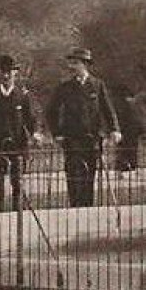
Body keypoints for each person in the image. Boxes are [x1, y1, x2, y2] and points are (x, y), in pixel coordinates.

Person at [45, 46, 120, 207]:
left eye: (76, 63)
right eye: (71, 63)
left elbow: (108, 109)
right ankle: (75, 207)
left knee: (89, 174)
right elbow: (51, 111)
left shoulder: (97, 85)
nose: (72, 67)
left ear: (85, 64)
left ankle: (87, 208)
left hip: (92, 138)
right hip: (71, 138)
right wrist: (57, 133)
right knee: (73, 173)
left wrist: (114, 129)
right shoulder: (64, 87)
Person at [0, 54, 38, 212]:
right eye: (3, 72)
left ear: (15, 74)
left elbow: (30, 119)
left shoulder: (23, 96)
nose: (6, 76)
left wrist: (34, 134)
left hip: (18, 146)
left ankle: (18, 216)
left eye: (9, 72)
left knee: (17, 182)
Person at [113, 86, 145, 173]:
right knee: (132, 148)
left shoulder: (120, 104)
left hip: (125, 130)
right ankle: (132, 164)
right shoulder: (134, 104)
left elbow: (120, 118)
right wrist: (142, 129)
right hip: (133, 130)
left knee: (123, 148)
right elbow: (140, 117)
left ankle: (124, 165)